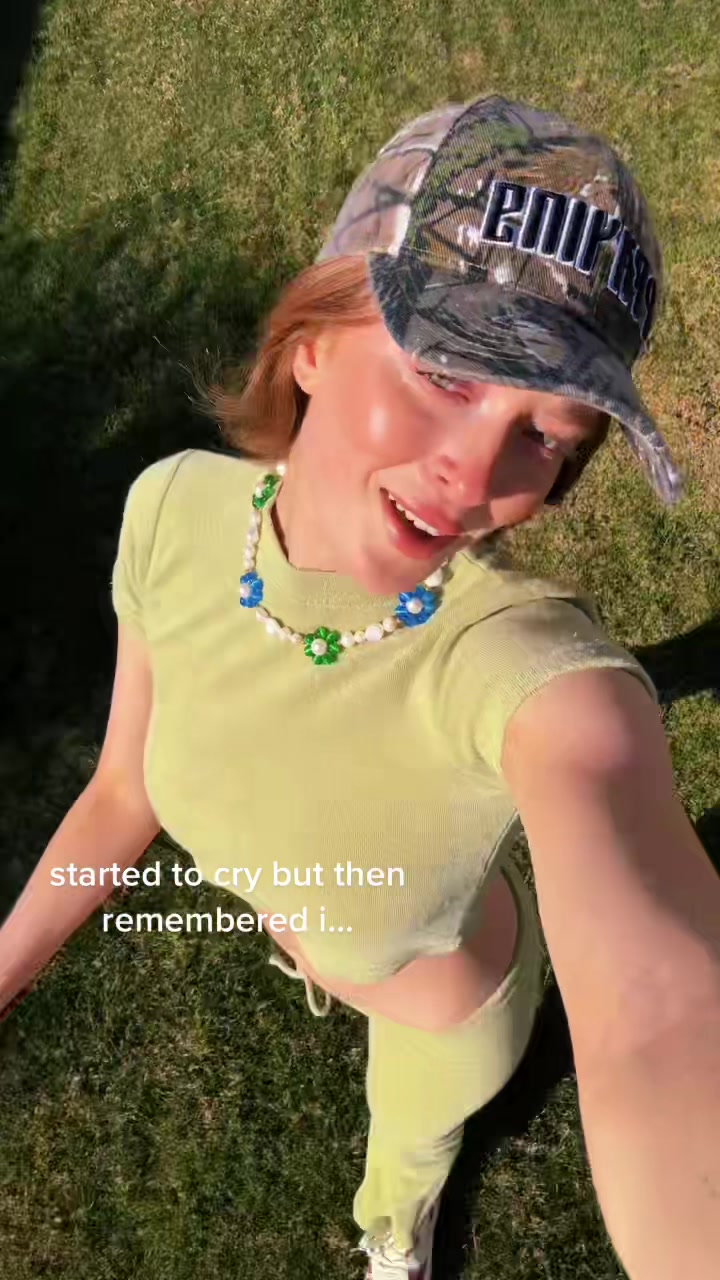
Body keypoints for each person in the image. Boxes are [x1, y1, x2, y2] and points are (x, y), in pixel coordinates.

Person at [1, 94, 719, 1280]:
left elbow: (658, 1006)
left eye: (546, 434)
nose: (476, 475)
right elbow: (125, 787)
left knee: (409, 1141)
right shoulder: (171, 508)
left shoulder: (517, 663)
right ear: (314, 340)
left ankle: (397, 1225)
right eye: (446, 370)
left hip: (443, 1009)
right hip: (336, 931)